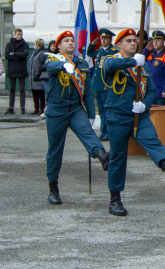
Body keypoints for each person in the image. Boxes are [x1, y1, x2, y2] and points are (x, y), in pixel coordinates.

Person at [100, 29, 165, 217]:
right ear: (119, 44)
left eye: (135, 41)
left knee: (152, 140)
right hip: (118, 116)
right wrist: (133, 62)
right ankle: (115, 199)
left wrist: (144, 105)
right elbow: (110, 67)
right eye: (129, 41)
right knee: (118, 157)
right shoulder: (111, 59)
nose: (133, 43)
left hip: (139, 116)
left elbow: (151, 90)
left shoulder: (144, 65)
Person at [43, 31, 111, 205]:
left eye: (72, 40)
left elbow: (87, 92)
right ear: (58, 46)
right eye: (66, 41)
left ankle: (102, 156)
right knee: (55, 150)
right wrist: (62, 66)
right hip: (56, 110)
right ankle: (53, 188)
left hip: (75, 108)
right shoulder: (54, 60)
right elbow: (50, 67)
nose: (70, 43)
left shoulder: (81, 64)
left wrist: (90, 115)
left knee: (88, 133)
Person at [87, 28, 118, 141]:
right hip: (98, 84)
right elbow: (89, 53)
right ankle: (103, 131)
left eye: (106, 38)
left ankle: (108, 132)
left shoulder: (113, 51)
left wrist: (108, 83)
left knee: (107, 110)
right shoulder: (100, 50)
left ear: (110, 39)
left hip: (105, 85)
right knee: (100, 110)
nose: (103, 40)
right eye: (102, 38)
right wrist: (92, 45)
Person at [142, 30, 165, 106]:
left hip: (160, 92)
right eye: (154, 41)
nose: (155, 43)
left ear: (163, 41)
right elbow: (141, 59)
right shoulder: (151, 54)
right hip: (150, 91)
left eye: (158, 41)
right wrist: (146, 49)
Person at [5, 28, 30, 114]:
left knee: (22, 89)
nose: (20, 36)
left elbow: (24, 54)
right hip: (12, 70)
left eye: (21, 34)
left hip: (21, 69)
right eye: (18, 34)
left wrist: (14, 54)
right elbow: (7, 56)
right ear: (14, 34)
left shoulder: (25, 44)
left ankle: (22, 107)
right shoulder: (9, 44)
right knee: (12, 89)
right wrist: (17, 56)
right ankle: (11, 107)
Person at [29, 39, 47, 115]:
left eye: (35, 43)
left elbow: (41, 64)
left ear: (38, 44)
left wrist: (38, 73)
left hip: (38, 76)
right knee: (34, 93)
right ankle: (36, 108)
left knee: (40, 94)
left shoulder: (42, 53)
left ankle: (41, 108)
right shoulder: (34, 53)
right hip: (33, 76)